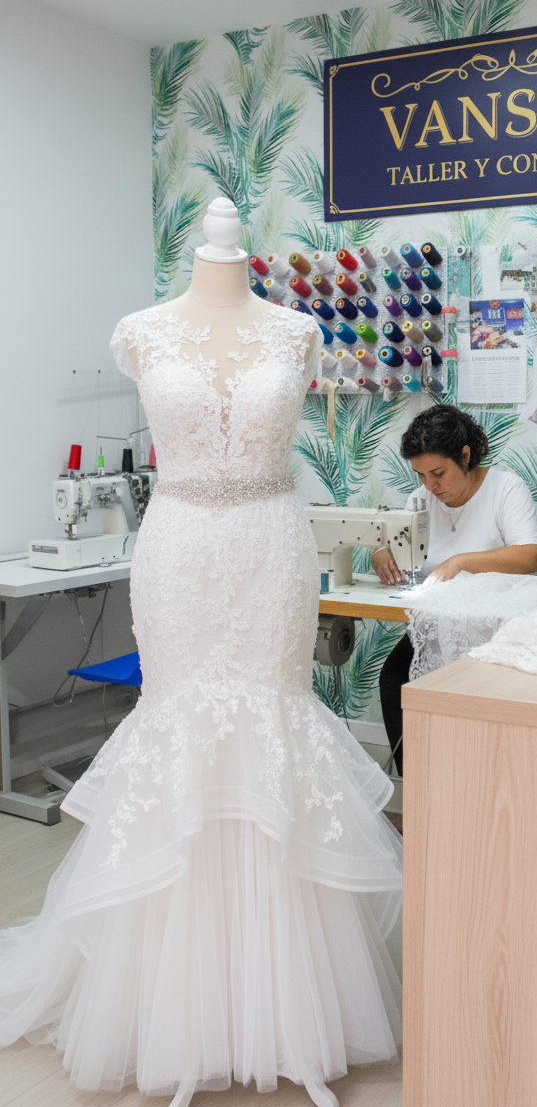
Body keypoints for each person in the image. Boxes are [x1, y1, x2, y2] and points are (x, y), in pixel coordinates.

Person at [0, 201, 402, 1107]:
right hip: (178, 547)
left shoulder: (296, 330)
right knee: (179, 731)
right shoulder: (140, 331)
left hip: (269, 546)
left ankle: (290, 1005)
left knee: (272, 730)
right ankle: (169, 1000)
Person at [375, 405, 537, 775]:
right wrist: (381, 553)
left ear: (465, 456)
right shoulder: (421, 501)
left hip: (495, 629)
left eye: (438, 473)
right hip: (438, 625)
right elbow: (397, 545)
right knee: (395, 680)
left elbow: (529, 556)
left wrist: (461, 561)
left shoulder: (504, 488)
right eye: (420, 475)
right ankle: (418, 782)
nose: (430, 486)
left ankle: (476, 781)